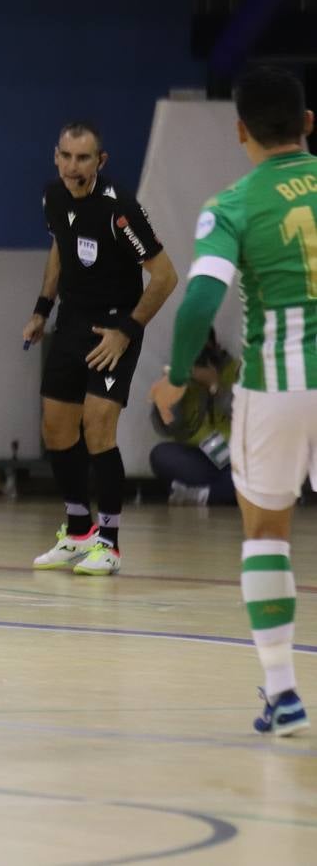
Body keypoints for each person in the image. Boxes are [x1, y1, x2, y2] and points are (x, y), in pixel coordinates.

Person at [150, 64, 316, 736]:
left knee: (266, 533)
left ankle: (283, 692)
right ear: (308, 123)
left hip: (276, 388)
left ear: (240, 129)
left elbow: (198, 301)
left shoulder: (234, 204)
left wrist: (177, 374)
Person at [22, 122, 178, 576]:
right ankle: (77, 532)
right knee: (56, 429)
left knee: (97, 428)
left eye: (84, 158)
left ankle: (108, 542)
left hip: (114, 328)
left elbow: (165, 277)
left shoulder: (120, 210)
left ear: (101, 161)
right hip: (71, 321)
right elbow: (59, 249)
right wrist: (40, 310)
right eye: (67, 157)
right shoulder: (53, 196)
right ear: (56, 157)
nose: (74, 166)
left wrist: (126, 331)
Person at [148, 328, 237, 506]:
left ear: (215, 347)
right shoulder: (178, 373)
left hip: (232, 454)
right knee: (160, 454)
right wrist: (172, 394)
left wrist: (214, 385)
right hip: (198, 454)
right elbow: (168, 428)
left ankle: (200, 495)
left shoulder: (236, 370)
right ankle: (221, 491)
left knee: (254, 475)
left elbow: (246, 415)